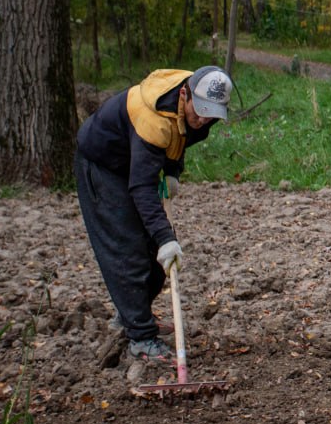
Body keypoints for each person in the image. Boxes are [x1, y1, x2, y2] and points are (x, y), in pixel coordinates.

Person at [74, 65, 232, 363]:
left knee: (157, 258)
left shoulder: (199, 111)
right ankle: (141, 337)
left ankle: (134, 316)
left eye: (211, 114)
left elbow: (181, 136)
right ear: (185, 94)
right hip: (104, 164)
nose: (203, 120)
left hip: (135, 166)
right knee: (128, 249)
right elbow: (142, 187)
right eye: (199, 111)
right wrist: (165, 238)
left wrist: (172, 170)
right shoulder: (154, 119)